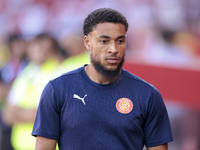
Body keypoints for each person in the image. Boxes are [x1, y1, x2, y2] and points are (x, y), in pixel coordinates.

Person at [32, 8, 173, 150]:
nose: (113, 49)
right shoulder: (58, 89)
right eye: (104, 41)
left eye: (120, 41)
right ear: (87, 43)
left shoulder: (147, 95)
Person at [2, 33, 60, 150]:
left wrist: (18, 114)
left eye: (43, 47)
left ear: (52, 50)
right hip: (20, 145)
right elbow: (7, 115)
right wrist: (31, 114)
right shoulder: (25, 74)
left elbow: (48, 115)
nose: (38, 50)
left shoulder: (58, 73)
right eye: (35, 46)